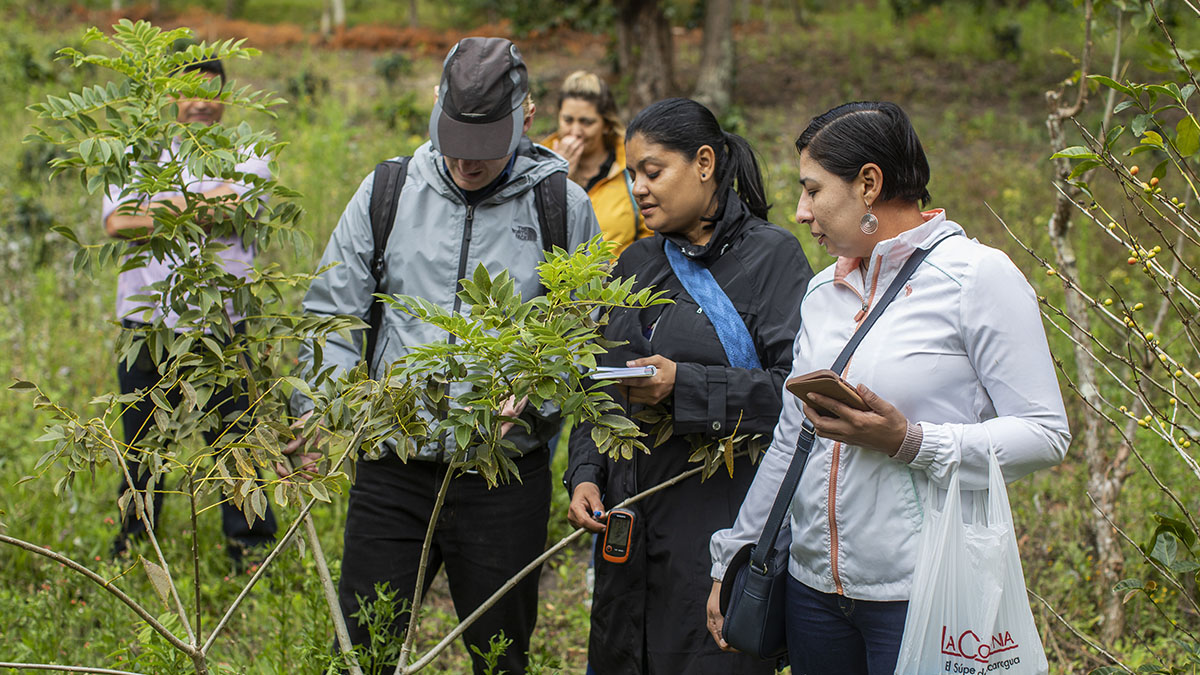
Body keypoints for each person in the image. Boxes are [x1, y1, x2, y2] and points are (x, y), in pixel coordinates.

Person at [706, 101, 1071, 674]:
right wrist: (735, 554)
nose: (801, 212)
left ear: (869, 184)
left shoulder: (976, 278)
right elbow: (789, 439)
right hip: (811, 593)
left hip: (924, 590)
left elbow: (1046, 434)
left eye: (812, 190)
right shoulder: (822, 292)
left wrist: (913, 441)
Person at [286, 38, 599, 674]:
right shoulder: (388, 190)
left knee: (501, 656)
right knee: (364, 649)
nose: (467, 162)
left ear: (527, 117)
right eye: (454, 140)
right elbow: (334, 313)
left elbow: (581, 331)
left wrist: (535, 393)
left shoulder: (561, 207)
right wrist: (320, 406)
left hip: (502, 476)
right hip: (392, 470)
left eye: (484, 147)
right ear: (435, 109)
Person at [565, 97, 813, 675]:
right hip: (627, 537)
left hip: (718, 531)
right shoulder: (634, 263)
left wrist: (686, 387)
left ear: (704, 163)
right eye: (632, 175)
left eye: (653, 172)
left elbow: (797, 397)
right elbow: (600, 387)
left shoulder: (770, 259)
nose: (639, 189)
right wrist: (584, 474)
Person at [102, 57, 277, 565]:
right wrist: (197, 203)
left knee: (232, 436)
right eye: (188, 90)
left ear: (225, 95)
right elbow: (117, 224)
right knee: (140, 442)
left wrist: (157, 209)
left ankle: (250, 546)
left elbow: (231, 208)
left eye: (210, 90)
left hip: (220, 322)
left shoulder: (249, 153)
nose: (200, 101)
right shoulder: (136, 154)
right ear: (170, 94)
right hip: (146, 323)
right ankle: (135, 545)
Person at [542, 70, 650, 257]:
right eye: (568, 120)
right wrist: (557, 178)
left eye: (586, 122)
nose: (575, 131)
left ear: (606, 124)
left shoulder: (629, 167)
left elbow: (650, 234)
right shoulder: (538, 165)